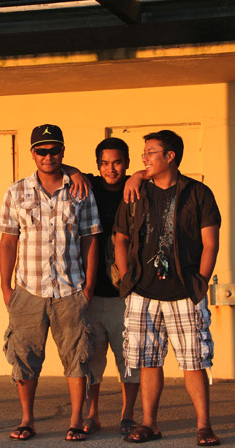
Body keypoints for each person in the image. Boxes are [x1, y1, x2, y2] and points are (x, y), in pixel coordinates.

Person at [114, 130, 221, 446]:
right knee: (148, 361)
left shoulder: (199, 194)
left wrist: (200, 283)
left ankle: (204, 425)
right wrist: (126, 276)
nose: (144, 157)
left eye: (150, 152)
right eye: (143, 153)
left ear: (170, 156)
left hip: (185, 292)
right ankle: (149, 423)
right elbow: (120, 237)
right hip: (143, 293)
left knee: (194, 361)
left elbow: (210, 242)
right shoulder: (135, 193)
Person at [0, 124, 101, 442]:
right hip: (28, 289)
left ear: (62, 152)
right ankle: (27, 419)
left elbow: (91, 239)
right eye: (41, 150)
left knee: (77, 355)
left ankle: (75, 420)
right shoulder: (16, 192)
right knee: (24, 355)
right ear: (32, 153)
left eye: (54, 150)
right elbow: (7, 242)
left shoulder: (80, 190)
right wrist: (6, 287)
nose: (48, 156)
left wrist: (88, 288)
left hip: (71, 289)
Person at [77, 138, 141, 436]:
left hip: (125, 293)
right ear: (97, 165)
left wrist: (140, 176)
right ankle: (93, 415)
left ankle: (128, 415)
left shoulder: (137, 189)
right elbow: (60, 169)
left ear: (127, 162)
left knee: (128, 358)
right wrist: (76, 174)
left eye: (116, 162)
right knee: (91, 359)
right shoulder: (89, 186)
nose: (110, 169)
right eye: (104, 163)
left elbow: (155, 172)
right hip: (90, 291)